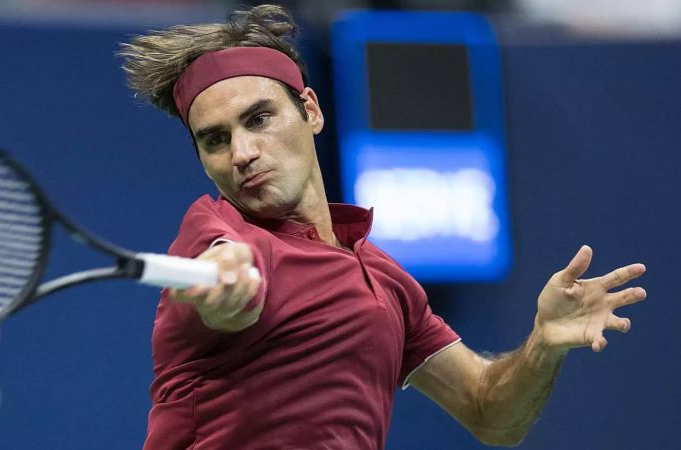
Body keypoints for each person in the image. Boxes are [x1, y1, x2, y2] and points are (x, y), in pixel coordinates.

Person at [118, 5, 646, 449]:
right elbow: (220, 267)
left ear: (310, 109)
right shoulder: (213, 230)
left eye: (259, 119)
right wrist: (221, 285)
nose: (242, 153)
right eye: (215, 139)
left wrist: (542, 345)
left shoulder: (386, 279)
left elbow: (490, 411)